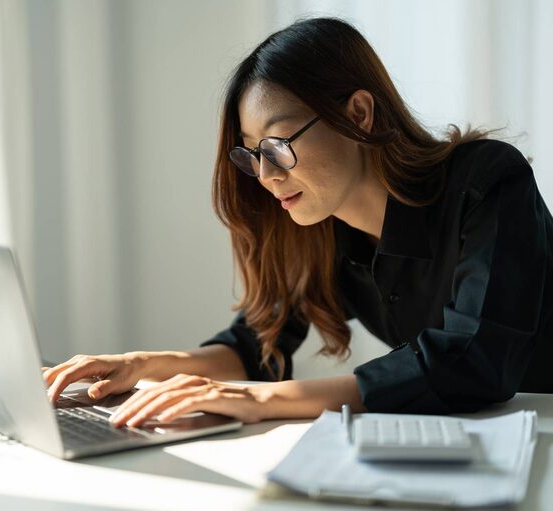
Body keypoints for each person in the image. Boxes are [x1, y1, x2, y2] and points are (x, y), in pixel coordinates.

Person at [44, 17, 553, 428]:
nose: (264, 175)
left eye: (278, 145)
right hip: (487, 434)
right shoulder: (319, 225)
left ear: (359, 114)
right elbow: (256, 343)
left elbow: (472, 361)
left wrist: (267, 401)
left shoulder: (486, 180)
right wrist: (141, 365)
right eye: (251, 154)